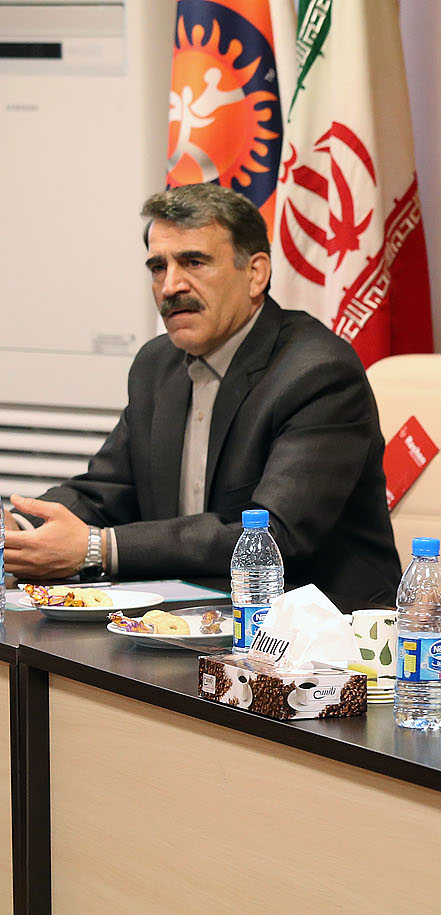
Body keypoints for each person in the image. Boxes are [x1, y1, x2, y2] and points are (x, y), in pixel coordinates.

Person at [3, 184, 400, 605]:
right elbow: (107, 491)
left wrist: (99, 548)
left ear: (256, 273)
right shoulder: (157, 365)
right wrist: (19, 531)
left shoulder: (317, 372)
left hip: (321, 626)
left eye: (193, 262)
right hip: (187, 614)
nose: (171, 286)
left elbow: (273, 537)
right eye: (158, 267)